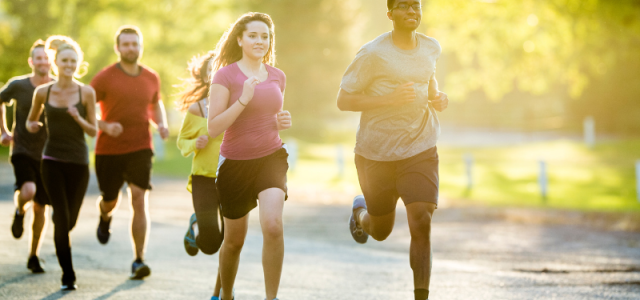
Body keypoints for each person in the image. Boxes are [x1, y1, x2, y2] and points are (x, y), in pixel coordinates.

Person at [336, 1, 449, 300]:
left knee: (421, 220)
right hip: (376, 154)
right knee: (381, 230)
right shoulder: (373, 53)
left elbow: (429, 79)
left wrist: (436, 97)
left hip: (420, 147)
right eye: (403, 6)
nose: (412, 11)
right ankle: (360, 213)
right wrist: (390, 99)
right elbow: (344, 99)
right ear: (390, 14)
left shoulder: (431, 47)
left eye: (416, 5)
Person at [207, 12, 292, 300]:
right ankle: (227, 295)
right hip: (235, 163)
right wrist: (243, 98)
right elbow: (214, 126)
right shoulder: (225, 76)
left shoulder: (278, 76)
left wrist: (281, 121)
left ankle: (272, 298)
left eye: (265, 36)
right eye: (253, 35)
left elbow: (270, 115)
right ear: (240, 39)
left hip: (271, 156)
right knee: (233, 241)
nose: (260, 41)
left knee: (273, 226)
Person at [90, 25, 169, 280]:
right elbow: (85, 109)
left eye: (135, 44)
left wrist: (162, 123)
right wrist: (103, 125)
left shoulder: (151, 77)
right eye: (126, 44)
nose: (131, 48)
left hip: (140, 146)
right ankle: (105, 214)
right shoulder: (104, 78)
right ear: (118, 48)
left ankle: (138, 259)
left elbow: (156, 105)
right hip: (109, 149)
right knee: (111, 199)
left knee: (138, 197)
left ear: (140, 46)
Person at [26, 35, 97, 290]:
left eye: (73, 61)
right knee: (61, 221)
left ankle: (62, 224)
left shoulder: (86, 92)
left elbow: (93, 131)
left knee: (69, 221)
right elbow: (30, 121)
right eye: (64, 60)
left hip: (78, 164)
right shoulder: (42, 92)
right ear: (55, 62)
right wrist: (32, 125)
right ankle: (68, 275)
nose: (69, 64)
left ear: (78, 64)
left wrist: (78, 118)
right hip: (51, 161)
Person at [0, 39, 53, 273]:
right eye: (38, 58)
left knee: (42, 208)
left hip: (49, 154)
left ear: (52, 61)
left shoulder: (59, 86)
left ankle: (34, 254)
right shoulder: (18, 85)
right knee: (29, 191)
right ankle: (20, 209)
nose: (43, 62)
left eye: (46, 58)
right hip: (22, 149)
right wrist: (3, 131)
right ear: (32, 61)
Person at [175, 51, 224, 300]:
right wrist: (196, 143)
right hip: (204, 179)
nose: (216, 73)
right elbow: (182, 141)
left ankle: (223, 292)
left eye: (221, 68)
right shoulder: (197, 108)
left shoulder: (239, 105)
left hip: (233, 177)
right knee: (210, 244)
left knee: (230, 241)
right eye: (211, 70)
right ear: (205, 76)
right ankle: (196, 224)